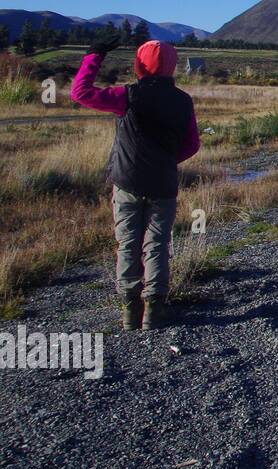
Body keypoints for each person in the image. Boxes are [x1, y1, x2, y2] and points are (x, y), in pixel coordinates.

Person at [70, 29, 201, 330]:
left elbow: (80, 93)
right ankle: (155, 308)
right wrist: (167, 162)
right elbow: (192, 144)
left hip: (127, 181)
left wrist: (94, 55)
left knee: (127, 243)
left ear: (139, 65)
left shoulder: (127, 96)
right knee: (156, 243)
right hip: (163, 184)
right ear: (173, 66)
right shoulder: (183, 101)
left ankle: (130, 309)